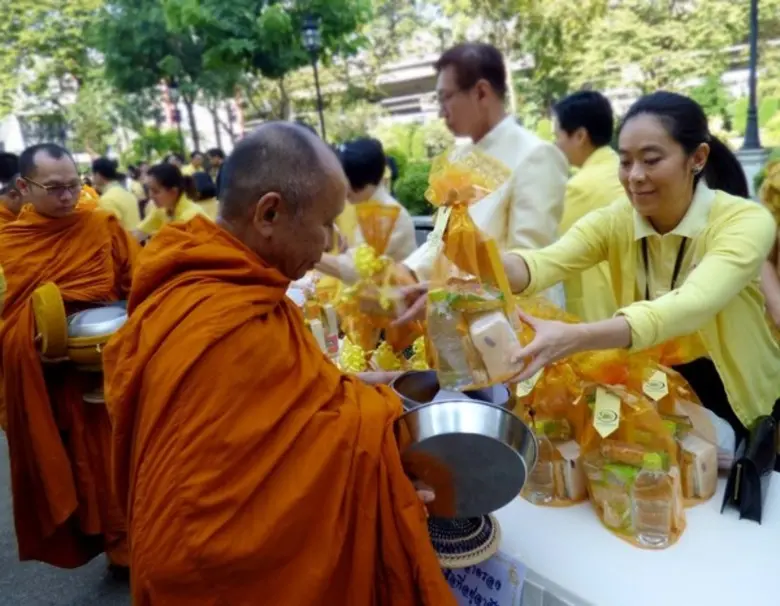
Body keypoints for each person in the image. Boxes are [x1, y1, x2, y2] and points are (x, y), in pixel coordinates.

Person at [103, 123, 454, 606]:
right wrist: (382, 430)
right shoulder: (221, 315)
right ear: (269, 212)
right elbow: (269, 457)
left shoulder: (224, 288)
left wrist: (375, 387)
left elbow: (298, 404)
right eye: (326, 223)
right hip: (212, 576)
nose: (332, 242)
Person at [499, 91, 780, 439]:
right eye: (626, 161)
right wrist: (484, 264)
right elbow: (545, 262)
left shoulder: (744, 221)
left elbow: (694, 303)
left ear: (697, 157)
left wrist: (579, 338)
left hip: (743, 401)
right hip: (660, 393)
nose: (634, 176)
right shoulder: (614, 221)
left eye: (651, 160)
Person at [0, 143, 136, 570]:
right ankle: (113, 542)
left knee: (125, 457)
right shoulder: (8, 245)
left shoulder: (102, 225)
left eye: (74, 185)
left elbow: (141, 284)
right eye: (54, 188)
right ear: (23, 186)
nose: (67, 196)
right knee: (84, 466)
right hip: (54, 378)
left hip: (113, 365)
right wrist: (35, 346)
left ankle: (134, 545)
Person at [403, 43, 568, 305]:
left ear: (481, 92)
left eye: (446, 97)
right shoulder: (459, 157)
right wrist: (404, 274)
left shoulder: (535, 155)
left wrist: (450, 294)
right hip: (453, 319)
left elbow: (529, 266)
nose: (441, 111)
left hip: (514, 327)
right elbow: (441, 241)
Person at [552, 91, 624, 321]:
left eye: (558, 135)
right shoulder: (620, 170)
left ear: (580, 136)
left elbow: (548, 247)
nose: (556, 144)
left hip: (600, 307)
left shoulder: (580, 187)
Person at [317, 138, 417, 281]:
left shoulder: (389, 213)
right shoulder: (365, 203)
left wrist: (307, 254)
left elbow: (357, 270)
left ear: (365, 181)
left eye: (347, 184)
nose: (343, 191)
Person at [134, 163, 211, 240]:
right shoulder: (162, 209)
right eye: (149, 190)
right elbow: (139, 233)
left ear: (173, 192)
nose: (150, 196)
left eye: (155, 191)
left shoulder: (192, 216)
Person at [92, 157, 141, 231]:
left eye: (93, 174)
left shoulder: (107, 199)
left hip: (124, 241)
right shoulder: (127, 193)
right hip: (135, 241)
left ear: (98, 175)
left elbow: (111, 232)